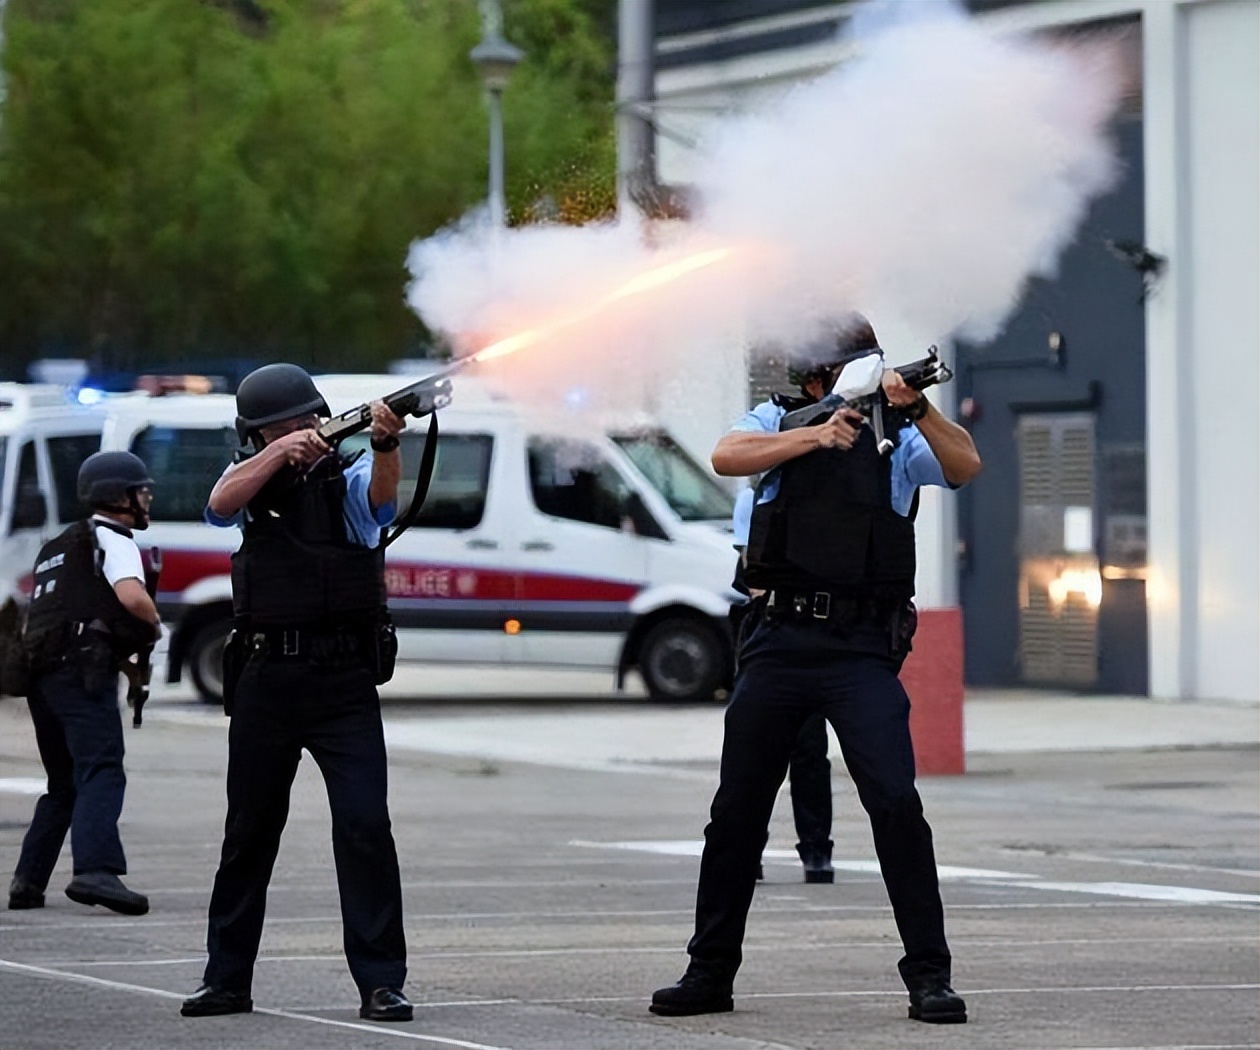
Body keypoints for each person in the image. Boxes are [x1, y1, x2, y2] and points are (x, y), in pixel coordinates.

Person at [651, 316, 981, 1025]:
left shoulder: (895, 433)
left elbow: (965, 466)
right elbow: (726, 455)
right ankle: (709, 972)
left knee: (895, 803)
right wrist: (814, 434)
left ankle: (930, 976)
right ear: (813, 381)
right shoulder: (778, 420)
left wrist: (917, 406)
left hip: (859, 646)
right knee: (736, 813)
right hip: (778, 638)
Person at [181, 364, 412, 1023]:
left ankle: (381, 982)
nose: (308, 433)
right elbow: (219, 505)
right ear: (260, 434)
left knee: (366, 827)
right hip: (265, 679)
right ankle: (225, 979)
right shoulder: (252, 476)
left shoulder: (349, 471)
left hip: (342, 679)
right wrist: (280, 453)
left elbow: (382, 506)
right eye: (289, 428)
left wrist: (388, 442)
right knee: (248, 833)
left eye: (312, 422)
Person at [9, 451, 160, 916]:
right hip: (81, 675)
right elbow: (131, 597)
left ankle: (27, 882)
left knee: (63, 783)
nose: (148, 496)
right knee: (101, 769)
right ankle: (96, 871)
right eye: (141, 489)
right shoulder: (114, 539)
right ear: (118, 497)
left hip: (42, 677)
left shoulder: (58, 546)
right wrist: (156, 625)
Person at [731, 487, 835, 884]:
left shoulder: (829, 500)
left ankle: (816, 849)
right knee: (756, 751)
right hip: (769, 632)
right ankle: (748, 846)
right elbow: (752, 574)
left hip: (817, 634)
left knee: (810, 749)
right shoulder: (753, 499)